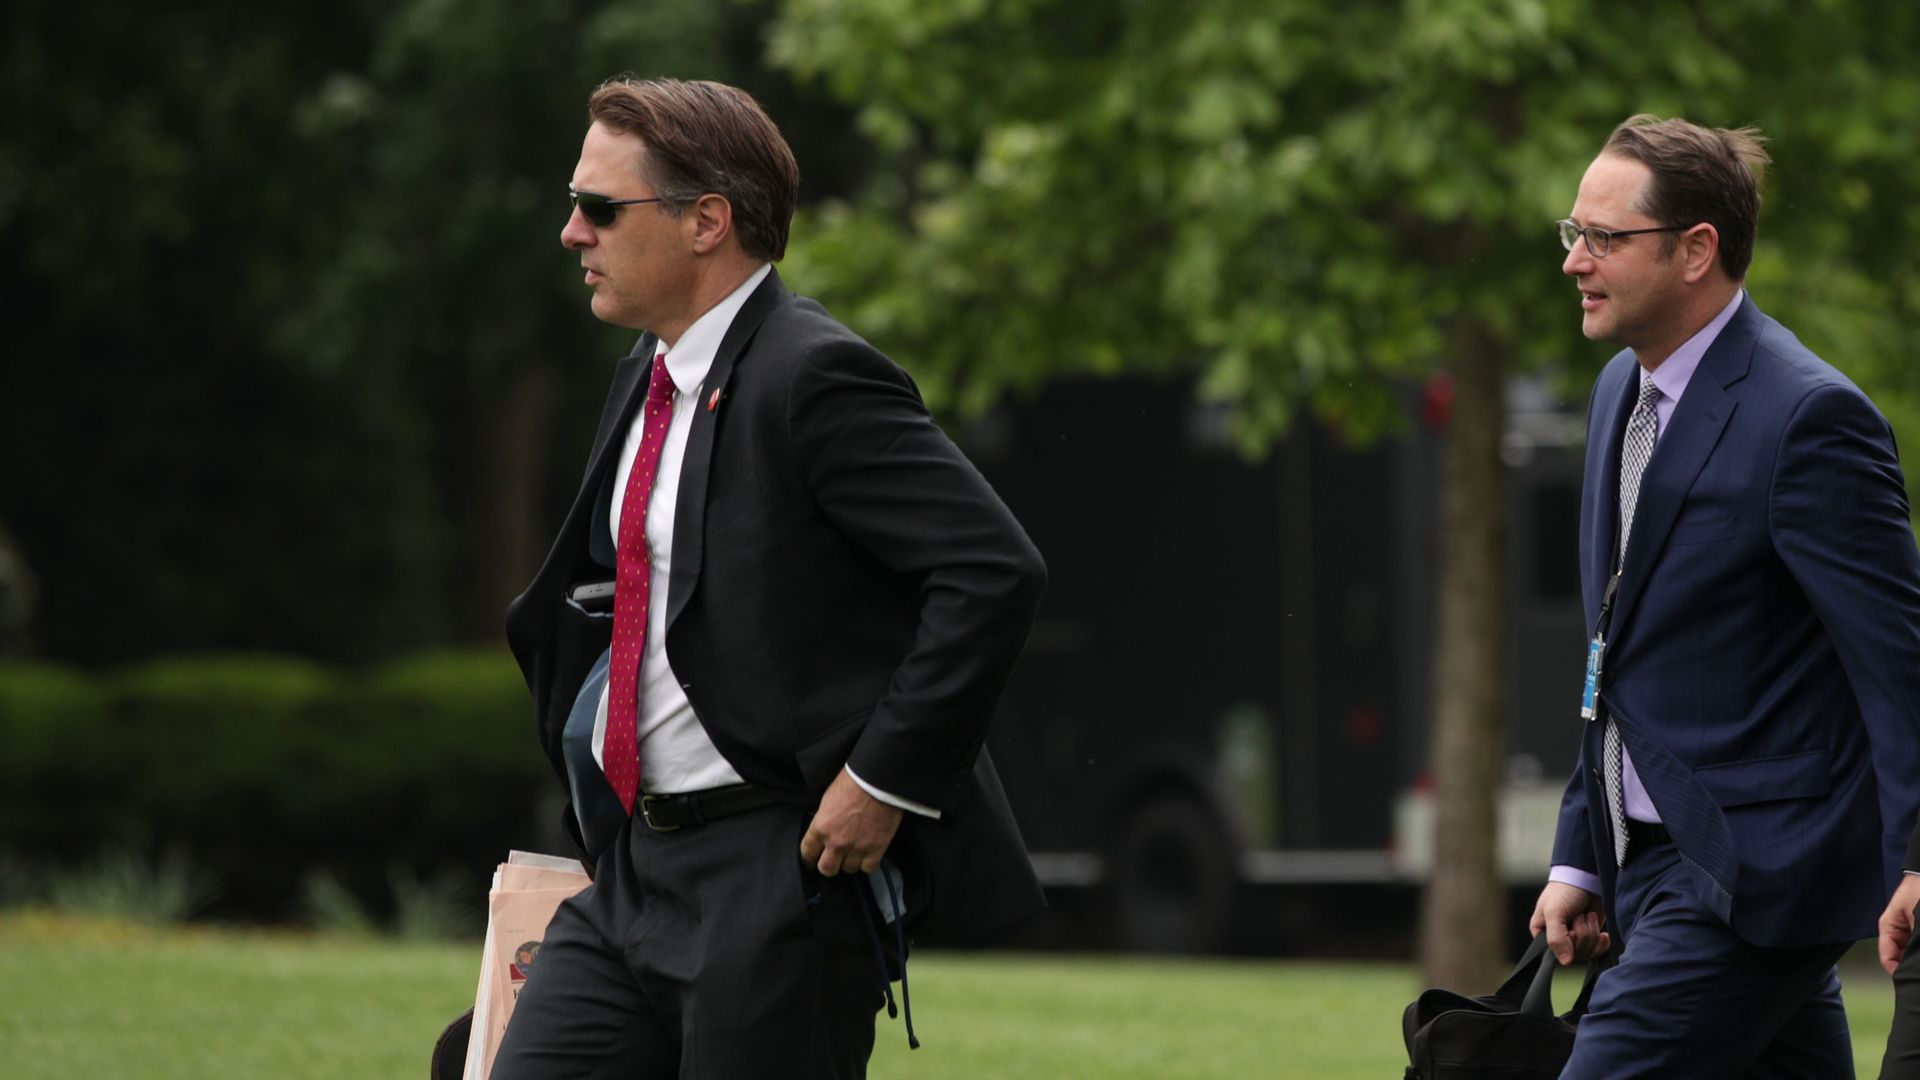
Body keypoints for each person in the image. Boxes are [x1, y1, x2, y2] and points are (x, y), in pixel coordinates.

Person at [491, 76, 1047, 1078]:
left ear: (707, 222)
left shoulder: (817, 376)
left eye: (600, 207)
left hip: (772, 880)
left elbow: (992, 569)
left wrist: (884, 780)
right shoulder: (646, 377)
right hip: (630, 874)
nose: (574, 233)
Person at [1527, 114, 1920, 1078]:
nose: (1576, 261)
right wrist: (1580, 854)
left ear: (1697, 250)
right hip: (1650, 869)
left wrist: (1919, 855)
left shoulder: (1810, 419)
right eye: (1572, 234)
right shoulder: (1619, 389)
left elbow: (1899, 663)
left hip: (1748, 881)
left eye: (1604, 238)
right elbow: (1613, 652)